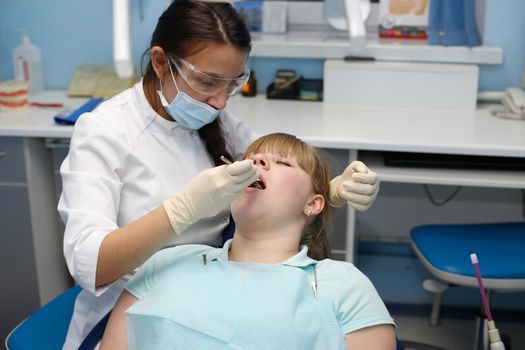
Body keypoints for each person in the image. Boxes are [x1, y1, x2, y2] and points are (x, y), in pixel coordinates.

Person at [58, 1, 381, 348]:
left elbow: (267, 174)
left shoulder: (215, 121)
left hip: (211, 289)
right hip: (137, 305)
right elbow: (89, 265)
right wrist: (180, 211)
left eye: (232, 83)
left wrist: (325, 191)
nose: (221, 101)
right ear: (160, 62)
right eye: (208, 81)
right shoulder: (104, 132)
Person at [99, 133, 395, 350]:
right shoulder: (168, 261)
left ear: (314, 203)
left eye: (282, 162)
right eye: (251, 159)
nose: (257, 161)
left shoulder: (343, 285)